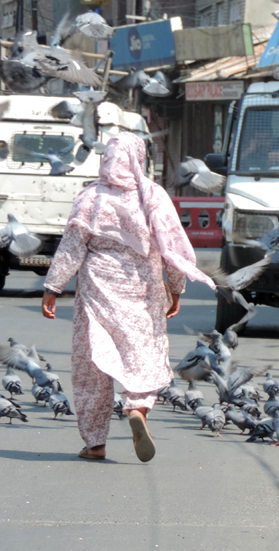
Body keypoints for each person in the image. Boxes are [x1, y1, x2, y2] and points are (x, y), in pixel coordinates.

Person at [41, 133, 215, 462]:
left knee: (92, 365)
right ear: (139, 158)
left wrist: (53, 288)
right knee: (142, 353)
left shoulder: (90, 197)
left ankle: (95, 443)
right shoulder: (153, 196)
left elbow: (72, 248)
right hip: (143, 290)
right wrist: (176, 289)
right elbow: (172, 249)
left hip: (97, 289)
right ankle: (138, 408)